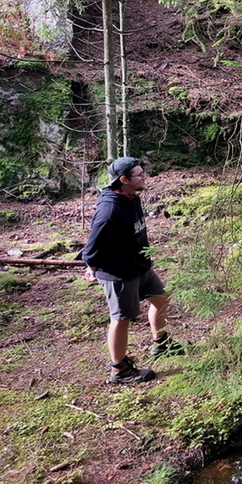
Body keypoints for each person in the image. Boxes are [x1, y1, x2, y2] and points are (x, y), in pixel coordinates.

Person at [81, 157, 182, 384]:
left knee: (161, 298)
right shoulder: (109, 210)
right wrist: (91, 267)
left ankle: (161, 343)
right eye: (139, 174)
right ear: (124, 180)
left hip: (139, 265)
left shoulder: (131, 196)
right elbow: (93, 245)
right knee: (121, 319)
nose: (144, 177)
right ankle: (120, 370)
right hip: (119, 273)